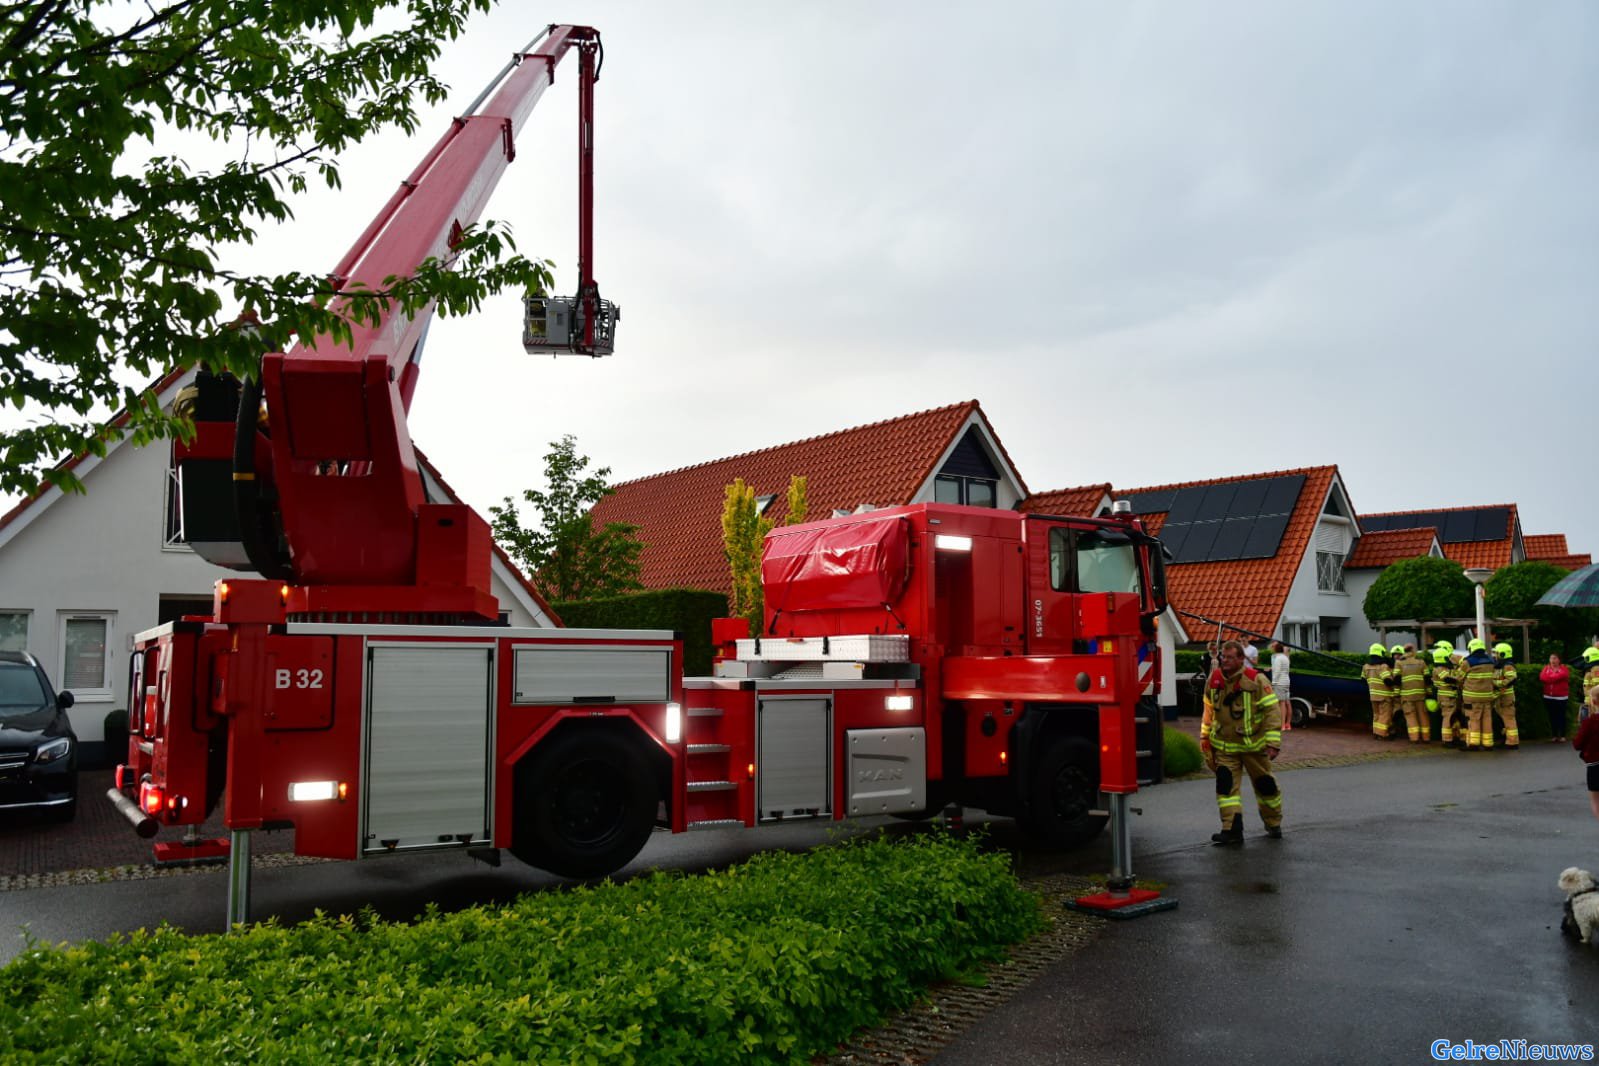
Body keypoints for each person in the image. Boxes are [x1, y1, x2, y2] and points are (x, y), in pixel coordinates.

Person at [1201, 640, 1284, 845]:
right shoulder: (1214, 679)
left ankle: (1273, 823)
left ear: (1241, 659)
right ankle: (1231, 830)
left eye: (1230, 657)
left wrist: (1273, 742)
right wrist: (1204, 737)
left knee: (1265, 786)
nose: (1224, 660)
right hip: (1224, 747)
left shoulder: (1257, 680)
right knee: (1226, 788)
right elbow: (1208, 709)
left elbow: (1272, 711)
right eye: (1223, 656)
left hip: (1254, 747)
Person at [1460, 638, 1498, 751]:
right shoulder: (1491, 661)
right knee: (1487, 718)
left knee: (1474, 718)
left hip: (1472, 696)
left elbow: (1459, 677)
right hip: (1487, 695)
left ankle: (1474, 743)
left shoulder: (1468, 662)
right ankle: (1488, 743)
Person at [1430, 644, 1465, 748]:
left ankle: (1454, 737)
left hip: (1452, 697)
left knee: (1453, 718)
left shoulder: (1446, 668)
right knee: (1448, 717)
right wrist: (1459, 677)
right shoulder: (1439, 669)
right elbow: (1448, 679)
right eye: (1446, 658)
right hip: (1446, 698)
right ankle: (1447, 740)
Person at [1395, 642, 1430, 743]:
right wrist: (1428, 691)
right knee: (1423, 716)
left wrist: (1397, 694)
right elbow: (1427, 678)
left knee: (1411, 716)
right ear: (1413, 651)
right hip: (1420, 695)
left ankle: (1414, 738)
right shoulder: (1421, 662)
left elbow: (1397, 680)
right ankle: (1426, 737)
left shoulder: (1399, 663)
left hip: (1406, 695)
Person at [1362, 643, 1398, 740]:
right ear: (1380, 652)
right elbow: (1388, 681)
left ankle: (1375, 732)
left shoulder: (1365, 666)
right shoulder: (1382, 666)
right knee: (1385, 715)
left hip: (1373, 695)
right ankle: (1382, 734)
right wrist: (1396, 681)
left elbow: (1363, 680)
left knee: (1376, 714)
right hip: (1385, 695)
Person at [1574, 700, 1599, 823]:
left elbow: (1577, 744)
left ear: (1593, 702)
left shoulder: (1590, 722)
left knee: (1595, 799)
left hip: (1595, 764)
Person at [1492, 642, 1520, 750]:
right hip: (1499, 698)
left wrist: (1496, 684)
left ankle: (1512, 742)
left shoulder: (1508, 666)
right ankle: (1505, 739)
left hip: (1506, 698)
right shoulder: (1498, 666)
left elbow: (1511, 680)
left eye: (1497, 653)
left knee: (1509, 719)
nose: (1495, 656)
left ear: (1503, 654)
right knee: (1502, 720)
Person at [1541, 653, 1571, 743]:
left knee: (1561, 716)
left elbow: (1560, 676)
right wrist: (1551, 678)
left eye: (1554, 658)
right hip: (1548, 696)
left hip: (1561, 697)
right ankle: (1554, 735)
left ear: (1559, 660)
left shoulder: (1564, 669)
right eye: (1551, 658)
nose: (1552, 660)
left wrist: (1549, 678)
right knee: (1552, 716)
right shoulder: (1546, 668)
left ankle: (1562, 735)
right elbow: (1542, 677)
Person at [1270, 641, 1292, 733]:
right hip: (1286, 682)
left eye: (1272, 647)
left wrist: (1273, 682)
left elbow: (1277, 672)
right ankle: (1284, 724)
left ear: (1275, 649)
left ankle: (1281, 725)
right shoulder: (1285, 658)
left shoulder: (1278, 658)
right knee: (1284, 703)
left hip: (1279, 683)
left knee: (1281, 704)